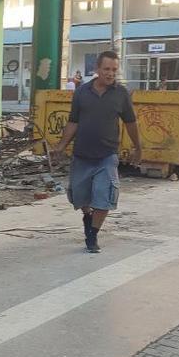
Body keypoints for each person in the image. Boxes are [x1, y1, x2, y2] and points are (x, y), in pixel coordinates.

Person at [51, 51, 142, 254]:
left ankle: (92, 234)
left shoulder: (121, 94)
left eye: (114, 70)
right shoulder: (81, 93)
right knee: (80, 198)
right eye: (106, 69)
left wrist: (138, 147)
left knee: (104, 197)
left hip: (107, 155)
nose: (110, 73)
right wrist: (61, 146)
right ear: (97, 69)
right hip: (82, 155)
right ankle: (87, 216)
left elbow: (131, 123)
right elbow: (73, 122)